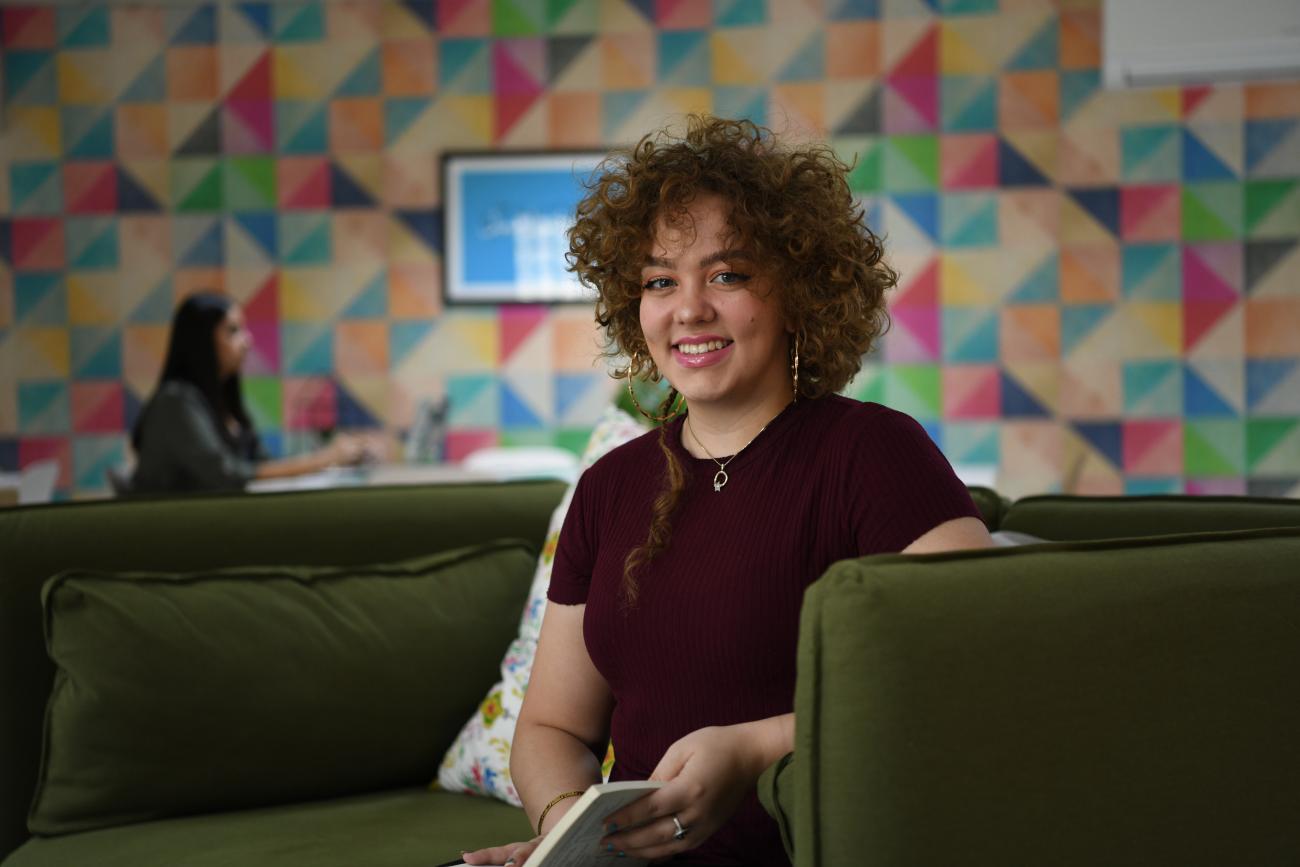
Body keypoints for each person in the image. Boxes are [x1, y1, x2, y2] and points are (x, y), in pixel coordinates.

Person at [464, 115, 992, 867]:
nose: (689, 309)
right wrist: (568, 838)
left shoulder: (874, 452)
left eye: (727, 274)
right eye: (660, 281)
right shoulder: (608, 487)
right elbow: (552, 727)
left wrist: (755, 747)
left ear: (798, 292)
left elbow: (973, 666)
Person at [128, 292, 372, 494]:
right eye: (233, 331)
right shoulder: (175, 401)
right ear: (201, 341)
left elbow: (262, 464)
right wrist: (324, 458)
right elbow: (227, 475)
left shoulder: (220, 400)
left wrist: (333, 458)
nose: (248, 341)